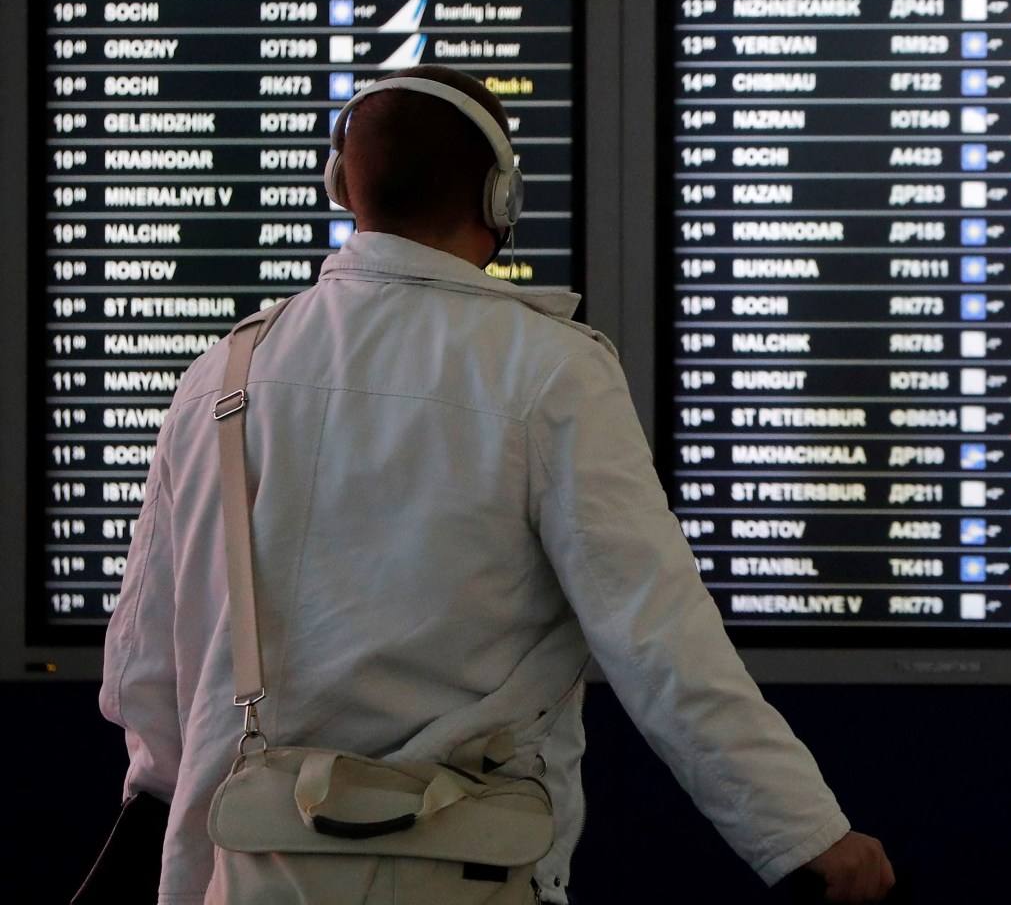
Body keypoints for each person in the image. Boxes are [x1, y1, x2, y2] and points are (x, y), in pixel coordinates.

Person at [100, 66, 894, 903]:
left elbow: (149, 659)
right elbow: (660, 640)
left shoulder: (225, 372)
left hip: (241, 868)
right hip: (459, 866)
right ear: (500, 201)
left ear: (341, 186)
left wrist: (170, 804)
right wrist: (805, 836)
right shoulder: (550, 373)